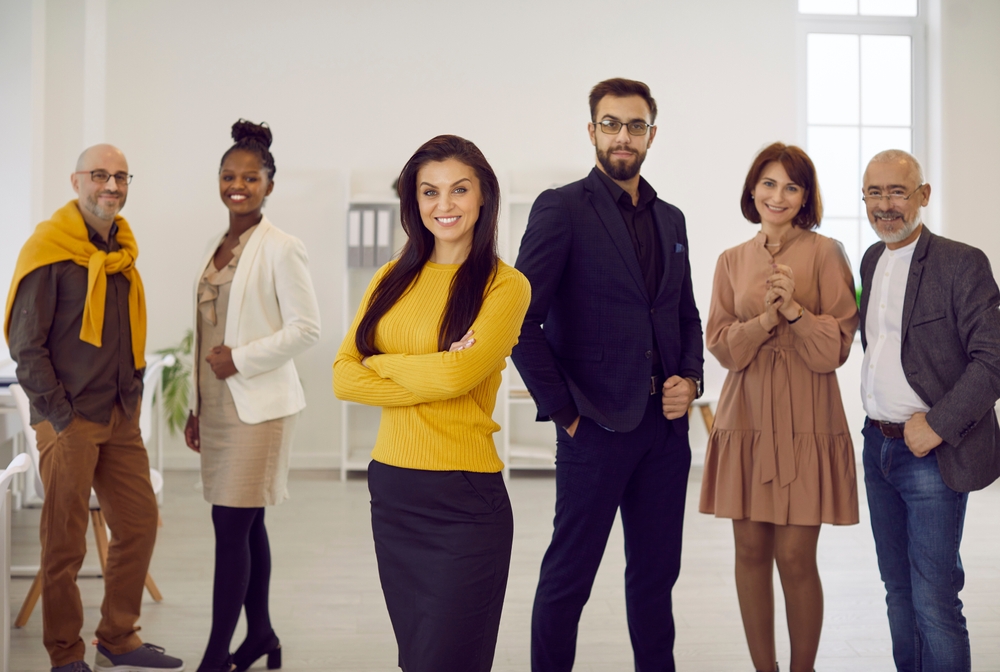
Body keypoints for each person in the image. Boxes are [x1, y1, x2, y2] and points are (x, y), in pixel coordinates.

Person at [511, 78, 703, 672]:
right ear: (592, 130)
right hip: (594, 429)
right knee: (568, 581)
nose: (624, 136)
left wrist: (690, 380)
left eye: (636, 125)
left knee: (654, 581)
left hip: (664, 435)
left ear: (651, 133)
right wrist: (567, 413)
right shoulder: (562, 207)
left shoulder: (671, 219)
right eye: (611, 124)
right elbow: (519, 323)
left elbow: (684, 314)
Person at [333, 135, 530, 672]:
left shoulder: (505, 287)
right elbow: (342, 378)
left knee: (448, 661)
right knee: (416, 659)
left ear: (483, 196)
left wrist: (382, 362)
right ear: (413, 202)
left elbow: (459, 375)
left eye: (459, 190)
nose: (444, 205)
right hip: (394, 492)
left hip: (463, 499)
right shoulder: (389, 279)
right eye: (430, 192)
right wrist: (436, 366)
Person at [5, 145, 183, 672]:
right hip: (69, 418)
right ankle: (64, 654)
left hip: (118, 414)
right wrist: (59, 415)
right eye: (100, 175)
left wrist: (132, 387)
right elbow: (25, 345)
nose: (112, 185)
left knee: (139, 523)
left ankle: (118, 637)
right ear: (76, 181)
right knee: (64, 544)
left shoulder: (121, 250)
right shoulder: (48, 249)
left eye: (121, 176)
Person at [699, 142, 859, 672]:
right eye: (769, 183)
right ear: (752, 190)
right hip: (745, 415)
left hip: (808, 416)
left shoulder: (827, 253)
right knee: (748, 554)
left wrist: (793, 311)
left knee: (794, 556)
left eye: (792, 186)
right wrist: (765, 322)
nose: (778, 195)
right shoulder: (730, 261)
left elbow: (833, 350)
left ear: (806, 197)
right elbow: (721, 346)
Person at [183, 120, 321, 672]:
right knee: (248, 523)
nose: (236, 185)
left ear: (268, 184)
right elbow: (203, 334)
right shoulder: (217, 244)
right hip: (218, 406)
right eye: (228, 176)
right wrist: (196, 405)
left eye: (249, 177)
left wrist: (240, 358)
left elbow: (307, 328)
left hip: (259, 407)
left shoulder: (282, 249)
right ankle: (261, 634)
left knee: (229, 527)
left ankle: (216, 656)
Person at [858, 149, 1000, 672]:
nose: (885, 204)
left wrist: (935, 425)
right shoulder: (871, 260)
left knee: (935, 599)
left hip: (930, 456)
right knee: (897, 589)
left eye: (897, 191)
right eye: (874, 192)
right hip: (877, 449)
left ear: (923, 196)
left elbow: (993, 359)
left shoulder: (962, 262)